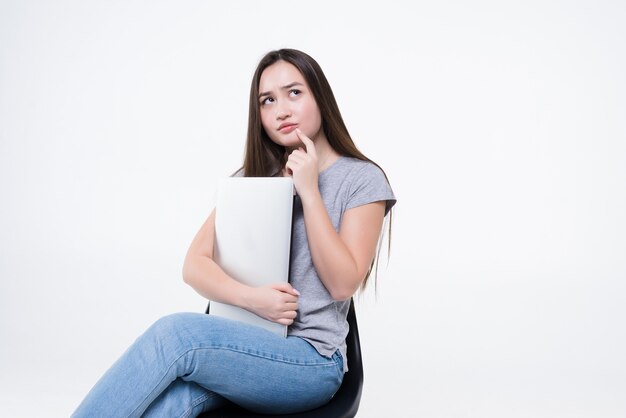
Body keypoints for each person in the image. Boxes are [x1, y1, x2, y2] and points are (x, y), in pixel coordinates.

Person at [72, 48, 396, 417]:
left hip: (312, 361)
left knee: (176, 336)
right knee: (175, 401)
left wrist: (308, 191)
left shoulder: (362, 179)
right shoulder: (251, 178)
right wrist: (253, 299)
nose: (281, 110)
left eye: (294, 93)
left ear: (320, 96)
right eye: (267, 100)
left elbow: (342, 284)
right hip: (248, 346)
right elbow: (194, 265)